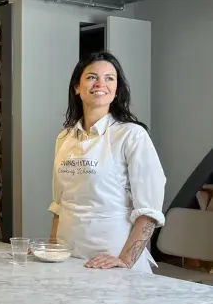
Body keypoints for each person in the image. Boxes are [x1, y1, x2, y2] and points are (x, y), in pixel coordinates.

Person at [49, 51, 166, 273]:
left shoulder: (132, 135)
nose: (100, 83)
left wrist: (125, 260)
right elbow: (59, 207)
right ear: (77, 87)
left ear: (116, 90)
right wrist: (51, 250)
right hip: (67, 256)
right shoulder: (64, 138)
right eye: (92, 77)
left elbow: (149, 212)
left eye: (109, 78)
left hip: (111, 258)